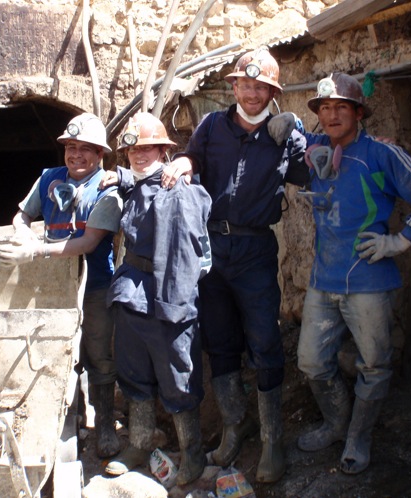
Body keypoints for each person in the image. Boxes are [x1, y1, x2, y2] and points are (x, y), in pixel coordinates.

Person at [161, 48, 310, 483]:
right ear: (235, 87)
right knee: (220, 340)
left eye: (260, 87)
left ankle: (271, 440)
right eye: (245, 85)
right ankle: (234, 424)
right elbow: (194, 157)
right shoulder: (212, 126)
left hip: (254, 249)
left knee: (265, 340)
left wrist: (299, 131)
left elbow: (312, 170)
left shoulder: (282, 135)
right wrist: (184, 161)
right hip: (210, 249)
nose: (251, 93)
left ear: (272, 92)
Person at [295, 72, 411, 474]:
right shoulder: (315, 150)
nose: (331, 115)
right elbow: (286, 134)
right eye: (324, 108)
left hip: (368, 281)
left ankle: (358, 437)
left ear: (358, 113)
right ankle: (336, 423)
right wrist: (284, 124)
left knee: (374, 365)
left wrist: (401, 240)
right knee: (311, 362)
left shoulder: (380, 153)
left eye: (341, 107)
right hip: (322, 280)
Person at [0, 112, 123, 459]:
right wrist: (22, 230)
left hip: (94, 284)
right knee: (54, 351)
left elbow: (88, 243)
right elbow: (23, 214)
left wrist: (36, 251)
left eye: (85, 149)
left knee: (98, 352)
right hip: (52, 286)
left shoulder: (107, 191)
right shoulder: (48, 178)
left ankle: (104, 425)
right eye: (71, 148)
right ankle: (67, 419)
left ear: (100, 154)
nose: (76, 155)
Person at [101, 112, 212, 486]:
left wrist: (176, 307)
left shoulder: (176, 189)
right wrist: (121, 177)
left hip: (166, 297)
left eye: (147, 148)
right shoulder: (137, 182)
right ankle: (140, 443)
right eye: (133, 150)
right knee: (133, 374)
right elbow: (138, 182)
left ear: (164, 151)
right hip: (132, 295)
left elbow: (183, 254)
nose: (139, 155)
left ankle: (192, 453)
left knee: (178, 377)